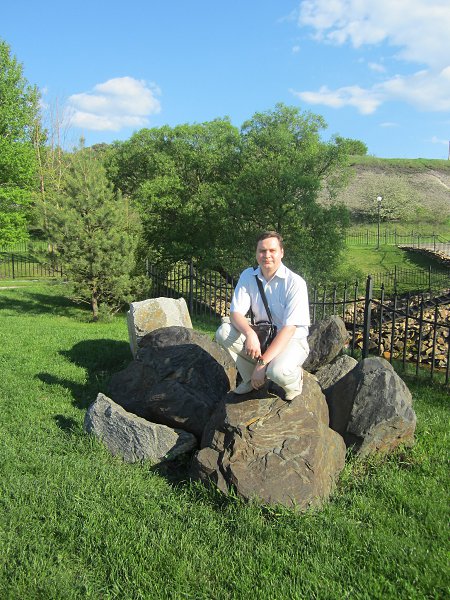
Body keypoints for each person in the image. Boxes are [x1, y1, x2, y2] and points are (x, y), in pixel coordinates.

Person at [215, 231, 310, 401]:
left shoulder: (295, 283)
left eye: (272, 250)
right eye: (262, 251)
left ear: (281, 252)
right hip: (263, 335)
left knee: (277, 372)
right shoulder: (248, 275)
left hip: (291, 340)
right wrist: (250, 334)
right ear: (256, 253)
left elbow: (289, 329)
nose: (267, 255)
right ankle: (250, 380)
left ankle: (295, 380)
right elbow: (235, 313)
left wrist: (262, 364)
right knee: (224, 332)